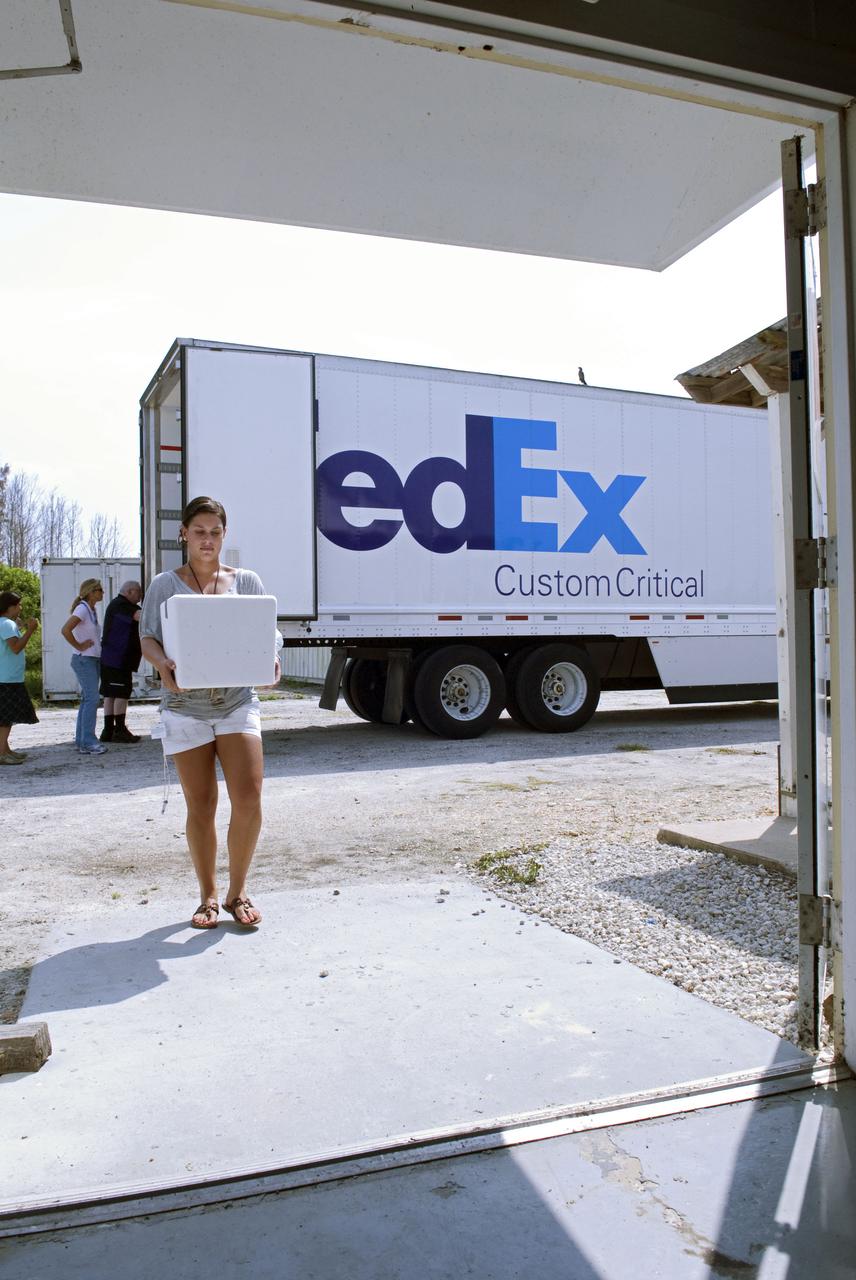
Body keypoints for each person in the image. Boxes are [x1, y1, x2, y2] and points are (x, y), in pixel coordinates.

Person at [140, 496, 281, 930]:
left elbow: (269, 634)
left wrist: (272, 658)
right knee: (201, 804)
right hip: (185, 707)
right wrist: (163, 665)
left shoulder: (248, 581)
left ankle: (239, 891)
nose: (207, 540)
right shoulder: (165, 584)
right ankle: (208, 896)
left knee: (249, 798)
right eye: (198, 531)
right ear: (184, 533)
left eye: (215, 532)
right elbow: (148, 637)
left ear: (224, 535)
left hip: (237, 702)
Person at [60, 578, 107, 755]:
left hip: (91, 659)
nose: (102, 593)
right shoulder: (82, 608)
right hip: (84, 659)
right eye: (99, 590)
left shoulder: (91, 610)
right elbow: (65, 630)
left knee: (88, 699)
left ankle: (82, 741)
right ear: (91, 592)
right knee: (92, 699)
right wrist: (79, 646)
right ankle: (88, 741)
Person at [99, 580, 143, 743]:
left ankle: (108, 730)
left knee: (110, 694)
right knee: (121, 694)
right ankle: (120, 729)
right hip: (119, 659)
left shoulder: (117, 605)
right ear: (130, 591)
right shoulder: (121, 605)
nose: (140, 596)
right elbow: (140, 617)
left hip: (111, 657)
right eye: (138, 592)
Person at [0, 591, 39, 765]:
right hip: (7, 678)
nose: (20, 608)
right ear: (11, 607)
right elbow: (15, 647)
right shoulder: (6, 624)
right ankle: (2, 753)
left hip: (7, 676)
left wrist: (22, 628)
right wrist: (30, 631)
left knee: (5, 717)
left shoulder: (6, 623)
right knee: (5, 719)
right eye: (18, 605)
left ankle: (5, 749)